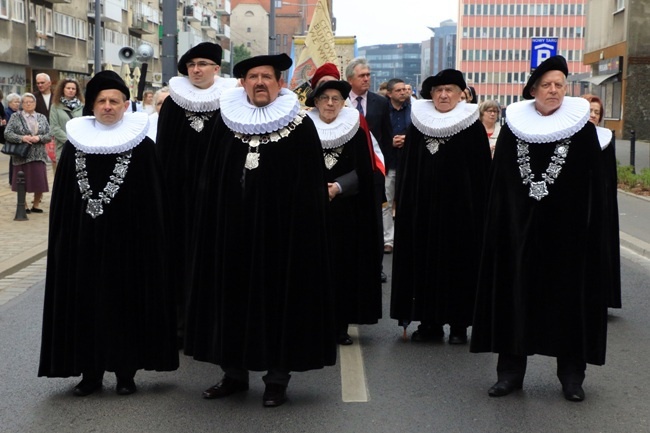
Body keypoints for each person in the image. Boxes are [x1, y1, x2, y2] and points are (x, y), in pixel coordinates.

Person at [185, 54, 335, 408]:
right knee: (231, 300)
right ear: (243, 83)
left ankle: (277, 379)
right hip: (231, 234)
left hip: (282, 238)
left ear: (280, 83)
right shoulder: (226, 123)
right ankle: (233, 374)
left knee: (278, 305)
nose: (260, 82)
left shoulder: (299, 125)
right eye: (253, 76)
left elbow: (311, 187)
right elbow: (211, 179)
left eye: (267, 76)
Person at [470, 56, 610, 402]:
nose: (553, 90)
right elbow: (499, 184)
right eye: (546, 84)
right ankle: (510, 374)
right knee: (515, 298)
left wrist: (592, 233)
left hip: (570, 236)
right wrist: (498, 228)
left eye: (559, 84)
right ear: (533, 90)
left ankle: (572, 377)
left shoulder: (583, 130)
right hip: (519, 234)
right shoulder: (515, 128)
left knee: (569, 302)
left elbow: (598, 187)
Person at [38, 70, 178, 397]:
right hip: (83, 243)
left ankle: (126, 374)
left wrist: (149, 242)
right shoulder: (75, 146)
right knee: (85, 306)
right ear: (92, 106)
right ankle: (90, 374)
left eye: (114, 100)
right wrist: (63, 241)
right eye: (101, 100)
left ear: (126, 105)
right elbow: (64, 201)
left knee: (125, 307)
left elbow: (154, 201)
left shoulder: (142, 147)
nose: (108, 106)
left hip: (128, 244)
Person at [390, 69, 491, 344]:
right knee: (423, 265)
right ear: (431, 95)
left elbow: (482, 176)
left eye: (449, 90)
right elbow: (408, 170)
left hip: (461, 215)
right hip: (422, 212)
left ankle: (459, 325)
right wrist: (405, 204)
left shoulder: (472, 127)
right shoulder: (418, 124)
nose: (444, 95)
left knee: (459, 266)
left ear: (461, 95)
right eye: (438, 90)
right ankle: (429, 323)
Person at [155, 42, 237, 348]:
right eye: (191, 65)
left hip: (218, 198)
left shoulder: (230, 101)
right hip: (180, 199)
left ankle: (214, 324)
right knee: (179, 260)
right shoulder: (175, 103)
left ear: (216, 68)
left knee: (215, 260)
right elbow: (164, 151)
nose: (196, 69)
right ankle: (179, 327)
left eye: (203, 64)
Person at [306, 76, 382, 345]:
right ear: (315, 102)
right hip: (309, 211)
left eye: (335, 99)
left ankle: (339, 326)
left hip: (346, 211)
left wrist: (338, 187)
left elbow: (365, 170)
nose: (329, 103)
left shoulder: (355, 129)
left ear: (342, 103)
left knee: (342, 269)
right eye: (324, 98)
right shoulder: (303, 128)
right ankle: (312, 324)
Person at [346, 57, 393, 283]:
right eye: (361, 75)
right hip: (347, 172)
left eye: (368, 75)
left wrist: (383, 169)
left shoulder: (380, 103)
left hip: (374, 172)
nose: (367, 79)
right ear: (349, 79)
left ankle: (376, 268)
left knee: (374, 221)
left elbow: (386, 136)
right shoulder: (340, 101)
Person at [582, 93, 621, 309]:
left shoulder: (605, 138)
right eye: (590, 111)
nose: (594, 115)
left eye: (597, 112)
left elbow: (609, 177)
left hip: (598, 202)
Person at [3, 93, 51, 213]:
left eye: (31, 102)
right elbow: (7, 133)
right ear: (22, 104)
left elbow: (49, 135)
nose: (28, 104)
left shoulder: (42, 117)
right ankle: (23, 204)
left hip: (38, 154)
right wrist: (22, 138)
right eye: (25, 102)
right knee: (21, 182)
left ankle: (36, 205)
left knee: (39, 181)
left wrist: (39, 138)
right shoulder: (15, 117)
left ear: (35, 104)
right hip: (21, 155)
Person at [384, 78, 412, 254]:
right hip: (388, 164)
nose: (403, 92)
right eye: (398, 90)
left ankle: (406, 238)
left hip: (407, 164)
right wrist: (390, 142)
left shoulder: (414, 110)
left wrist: (407, 140)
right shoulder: (383, 110)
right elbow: (376, 135)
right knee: (386, 204)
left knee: (407, 202)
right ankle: (389, 240)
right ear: (389, 94)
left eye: (404, 89)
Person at [49, 78, 85, 165]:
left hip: (80, 147)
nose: (71, 90)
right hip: (63, 147)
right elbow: (54, 127)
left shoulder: (82, 106)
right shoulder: (55, 106)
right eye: (68, 88)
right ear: (63, 89)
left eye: (73, 89)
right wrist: (69, 141)